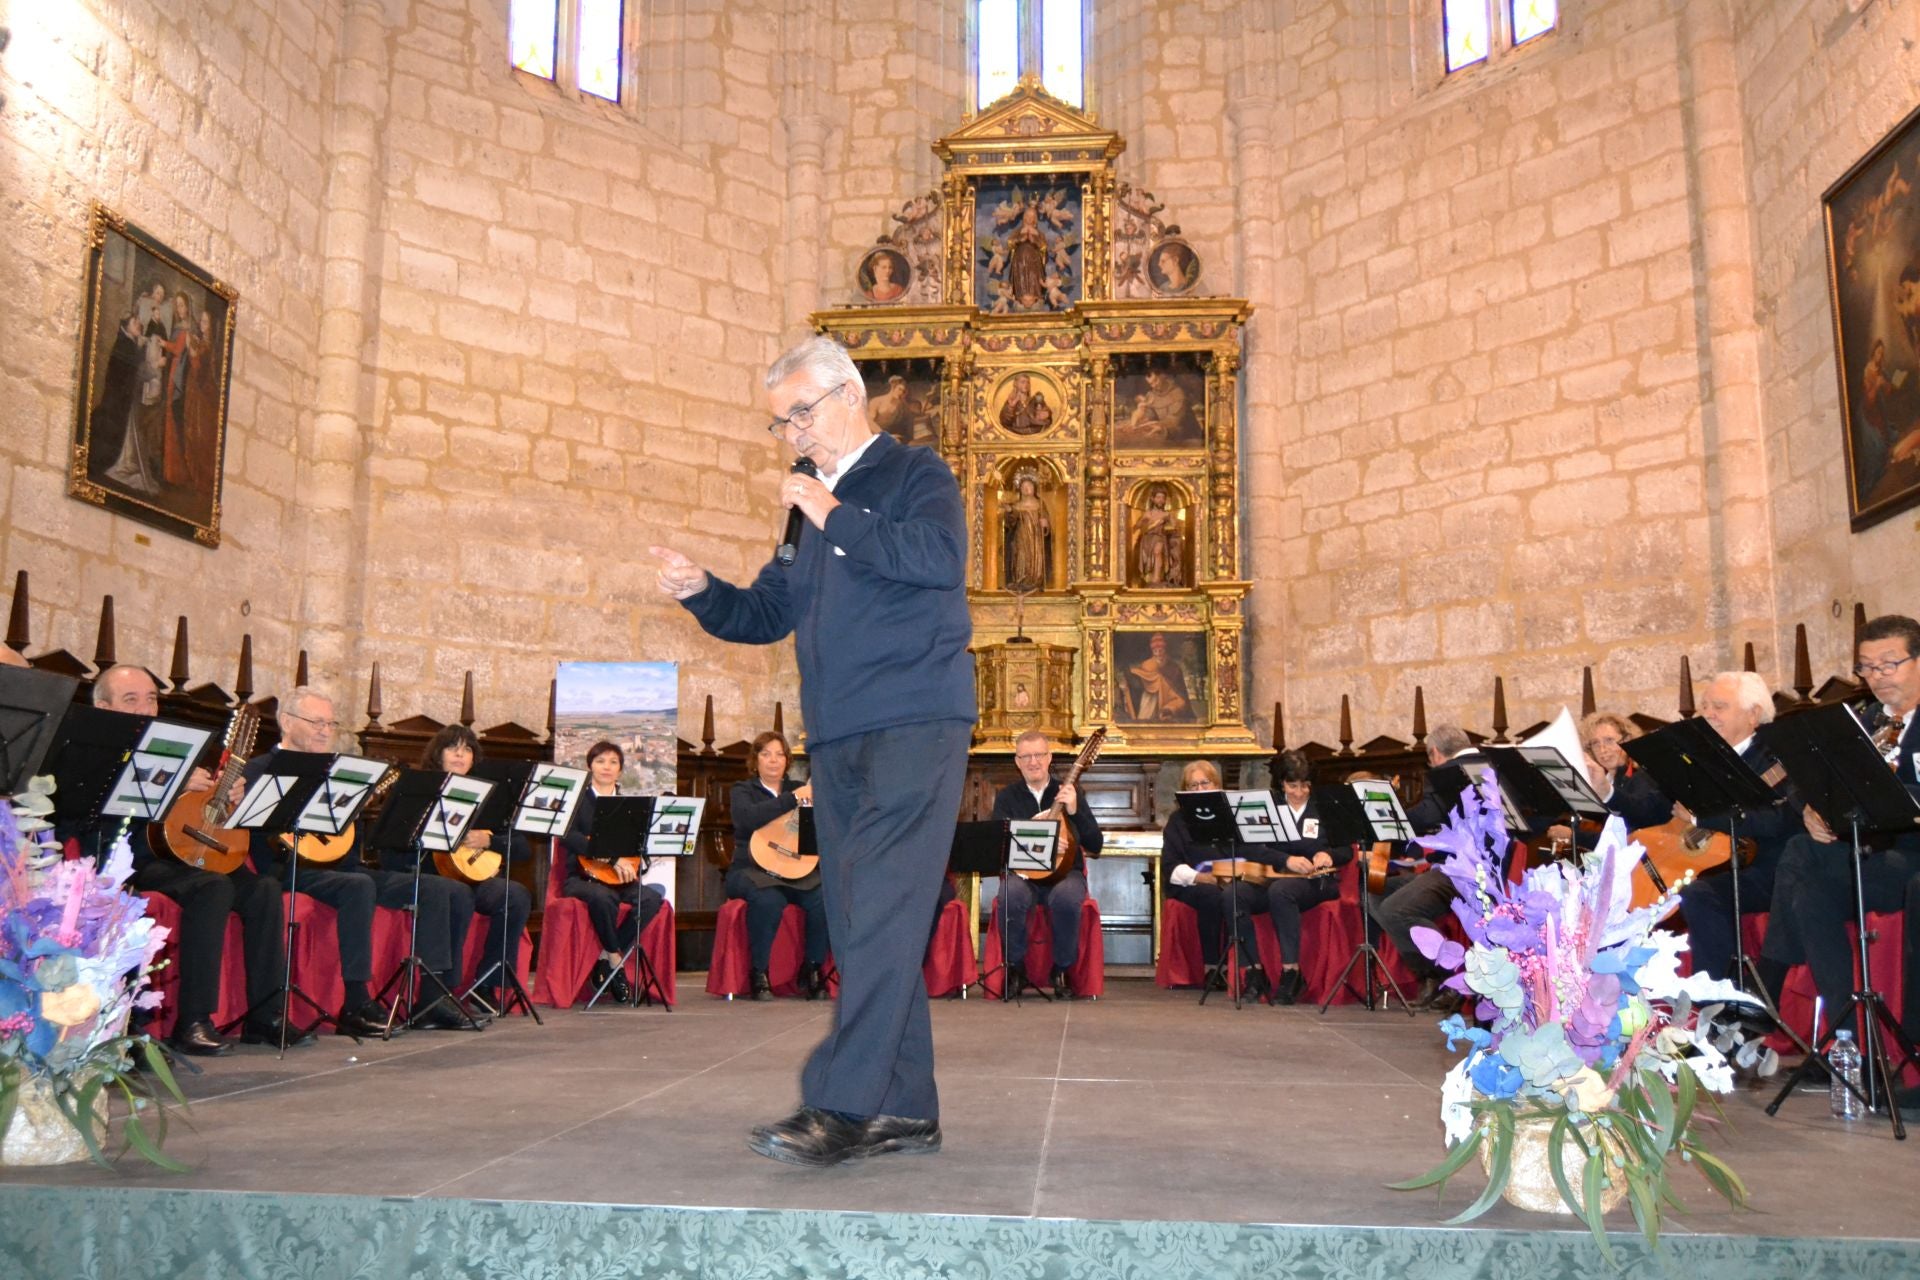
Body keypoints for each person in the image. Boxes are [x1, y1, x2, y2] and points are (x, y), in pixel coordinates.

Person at [652, 334, 974, 1167]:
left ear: (849, 395)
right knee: (867, 915)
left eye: (800, 413)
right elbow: (766, 614)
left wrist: (834, 512)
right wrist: (701, 593)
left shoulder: (915, 476)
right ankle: (907, 1108)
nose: (792, 433)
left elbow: (935, 561)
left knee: (887, 912)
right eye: (780, 423)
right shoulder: (803, 509)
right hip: (838, 736)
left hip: (915, 721)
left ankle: (840, 1102)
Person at [60, 665, 295, 1055]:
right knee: (213, 887)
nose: (145, 707)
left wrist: (229, 793)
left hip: (181, 851)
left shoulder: (176, 742)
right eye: (131, 699)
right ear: (103, 706)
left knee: (264, 890)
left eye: (151, 698)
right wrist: (167, 785)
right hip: (126, 856)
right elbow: (82, 811)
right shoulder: (90, 749)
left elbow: (198, 808)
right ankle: (193, 1021)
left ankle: (265, 1016)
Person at [1759, 616, 1920, 1059]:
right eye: (1867, 668)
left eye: (1890, 664)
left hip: (1908, 857)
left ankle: (1766, 985)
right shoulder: (1864, 718)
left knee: (1799, 855)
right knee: (1809, 894)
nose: (1876, 677)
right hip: (1858, 852)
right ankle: (1851, 1043)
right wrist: (1812, 808)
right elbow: (1808, 780)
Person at [243, 686, 431, 1038]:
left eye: (330, 723)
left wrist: (350, 813)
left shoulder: (338, 773)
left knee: (399, 883)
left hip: (331, 868)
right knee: (357, 884)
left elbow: (345, 845)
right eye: (316, 722)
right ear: (286, 721)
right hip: (281, 870)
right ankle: (356, 1001)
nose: (324, 730)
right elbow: (250, 833)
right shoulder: (258, 769)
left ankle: (396, 1001)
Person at [375, 725, 533, 1015]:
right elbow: (387, 845)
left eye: (468, 749)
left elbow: (522, 849)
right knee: (454, 893)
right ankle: (444, 990)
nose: (461, 754)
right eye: (453, 748)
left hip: (470, 875)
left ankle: (487, 983)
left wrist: (490, 840)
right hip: (427, 876)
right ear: (438, 754)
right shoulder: (416, 789)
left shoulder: (488, 795)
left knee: (515, 894)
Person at [1673, 671, 1803, 984]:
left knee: (1700, 894)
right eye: (1705, 707)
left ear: (1753, 714)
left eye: (1719, 706)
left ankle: (1721, 995)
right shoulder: (1708, 758)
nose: (1708, 715)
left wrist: (1700, 819)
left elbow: (1776, 821)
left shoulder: (1779, 754)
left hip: (1775, 869)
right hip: (1722, 862)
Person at [1369, 724, 1478, 1012]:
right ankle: (1429, 975)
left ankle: (1450, 975)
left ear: (1435, 753)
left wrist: (1387, 819)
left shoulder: (1446, 772)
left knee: (1396, 909)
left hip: (1460, 872)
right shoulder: (1488, 766)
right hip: (1481, 870)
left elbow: (1426, 815)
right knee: (1376, 891)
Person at [990, 731, 1102, 1000]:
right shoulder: (1007, 797)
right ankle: (1016, 968)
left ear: (1049, 757)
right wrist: (1040, 842)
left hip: (1065, 874)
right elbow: (998, 845)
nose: (1033, 762)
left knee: (1066, 898)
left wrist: (1075, 810)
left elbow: (1095, 844)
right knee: (1010, 894)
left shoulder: (1069, 792)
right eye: (1025, 756)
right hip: (1024, 874)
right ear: (1017, 762)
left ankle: (1060, 969)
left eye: (1039, 754)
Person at [558, 740, 666, 1003]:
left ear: (620, 769)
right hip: (582, 876)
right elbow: (568, 837)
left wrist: (634, 860)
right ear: (590, 766)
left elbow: (636, 844)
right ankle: (617, 960)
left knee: (650, 899)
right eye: (600, 761)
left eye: (613, 762)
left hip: (618, 878)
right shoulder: (577, 800)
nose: (607, 767)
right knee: (602, 898)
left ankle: (605, 956)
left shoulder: (626, 803)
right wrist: (610, 855)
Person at [726, 730, 829, 1001]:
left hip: (793, 869)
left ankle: (813, 968)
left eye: (779, 754)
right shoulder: (742, 790)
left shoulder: (800, 787)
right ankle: (759, 972)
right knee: (769, 900)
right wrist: (793, 799)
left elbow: (817, 834)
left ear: (787, 760)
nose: (773, 760)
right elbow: (748, 820)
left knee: (824, 898)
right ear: (755, 760)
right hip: (749, 870)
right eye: (765, 754)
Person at [1161, 759, 1265, 996]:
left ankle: (1249, 969)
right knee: (1211, 895)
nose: (1199, 790)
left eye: (1204, 784)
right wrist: (1203, 877)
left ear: (1216, 784)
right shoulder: (1178, 820)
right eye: (1192, 786)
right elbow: (1171, 865)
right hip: (1194, 882)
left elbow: (1250, 850)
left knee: (1234, 894)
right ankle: (1212, 966)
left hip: (1234, 877)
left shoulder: (1232, 815)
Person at [1262, 750, 1351, 1005]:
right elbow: (1254, 848)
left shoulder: (1325, 807)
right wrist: (1285, 860)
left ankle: (1291, 972)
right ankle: (1253, 973)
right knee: (1238, 894)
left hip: (1319, 882)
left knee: (1281, 892)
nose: (1299, 792)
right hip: (1276, 874)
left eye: (1305, 786)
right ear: (1281, 783)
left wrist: (1328, 854)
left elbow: (1346, 850)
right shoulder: (1271, 807)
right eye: (1292, 786)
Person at [1121, 632, 1193, 722]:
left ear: (1165, 650)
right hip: (1149, 700)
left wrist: (1170, 708)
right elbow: (1139, 681)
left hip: (1167, 705)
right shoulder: (1147, 664)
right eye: (1156, 651)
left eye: (1160, 651)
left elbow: (1180, 695)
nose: (1158, 654)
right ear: (1152, 651)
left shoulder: (1174, 668)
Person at [1001, 473, 1051, 592]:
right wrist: (1009, 511)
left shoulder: (1040, 505)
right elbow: (1010, 523)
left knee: (1035, 557)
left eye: (1029, 486)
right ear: (1020, 489)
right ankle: (1020, 580)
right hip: (1021, 537)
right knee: (1021, 555)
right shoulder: (1016, 505)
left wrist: (1046, 524)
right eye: (1023, 486)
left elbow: (1046, 523)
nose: (1026, 488)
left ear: (1034, 488)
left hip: (1036, 538)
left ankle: (1035, 580)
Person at [1129, 485, 1183, 588]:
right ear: (1152, 499)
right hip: (1147, 540)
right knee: (1149, 560)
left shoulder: (1167, 514)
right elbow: (1136, 527)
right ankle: (1151, 578)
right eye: (1158, 497)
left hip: (1160, 538)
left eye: (1163, 498)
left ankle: (1157, 579)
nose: (1161, 500)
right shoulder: (1147, 514)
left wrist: (1170, 525)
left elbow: (1175, 528)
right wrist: (1149, 524)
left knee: (1158, 552)